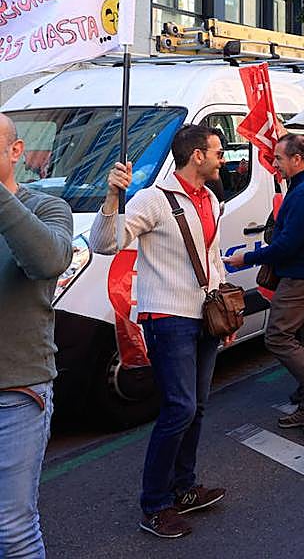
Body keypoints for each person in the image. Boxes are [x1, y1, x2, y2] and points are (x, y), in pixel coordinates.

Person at [92, 125, 229, 538]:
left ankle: (184, 488)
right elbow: (104, 242)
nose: (224, 158)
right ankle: (155, 505)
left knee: (198, 406)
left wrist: (224, 317)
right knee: (179, 408)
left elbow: (214, 260)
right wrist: (113, 196)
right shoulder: (152, 199)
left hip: (204, 317)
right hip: (167, 319)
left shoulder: (212, 200)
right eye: (218, 151)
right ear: (196, 157)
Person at [229, 134, 304, 435]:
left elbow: (287, 245)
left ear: (297, 158)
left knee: (278, 336)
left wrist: (249, 258)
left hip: (303, 276)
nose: (274, 163)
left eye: (278, 158)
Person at [0, 115, 73, 554]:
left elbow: (47, 261)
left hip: (15, 391)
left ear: (15, 151)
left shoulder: (47, 208)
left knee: (11, 528)